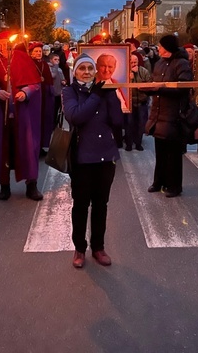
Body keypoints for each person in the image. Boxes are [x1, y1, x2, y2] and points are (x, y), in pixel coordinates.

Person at [63, 54, 123, 268]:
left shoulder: (104, 90)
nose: (87, 72)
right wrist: (96, 96)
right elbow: (76, 116)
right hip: (82, 157)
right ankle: (80, 248)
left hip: (105, 155)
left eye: (90, 68)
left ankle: (98, 247)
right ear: (75, 72)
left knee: (101, 204)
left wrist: (112, 95)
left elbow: (117, 121)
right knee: (80, 205)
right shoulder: (68, 92)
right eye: (82, 69)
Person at [0, 32, 44, 201]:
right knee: (1, 148)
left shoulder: (22, 58)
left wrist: (25, 92)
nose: (4, 46)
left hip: (23, 116)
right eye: (1, 43)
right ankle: (4, 185)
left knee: (27, 148)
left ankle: (31, 185)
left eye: (7, 43)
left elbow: (35, 84)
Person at [144, 34, 193, 197]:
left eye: (161, 45)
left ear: (168, 47)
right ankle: (158, 182)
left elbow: (183, 88)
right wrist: (146, 89)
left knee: (173, 155)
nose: (158, 48)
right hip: (159, 114)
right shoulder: (158, 63)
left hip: (174, 115)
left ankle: (174, 186)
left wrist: (159, 89)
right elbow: (154, 82)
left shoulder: (182, 64)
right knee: (160, 153)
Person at [123, 50, 151, 151]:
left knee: (140, 124)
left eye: (135, 62)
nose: (133, 64)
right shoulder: (124, 72)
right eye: (131, 62)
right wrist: (129, 79)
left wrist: (140, 85)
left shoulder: (144, 71)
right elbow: (122, 87)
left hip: (141, 101)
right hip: (129, 102)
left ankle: (138, 143)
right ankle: (129, 144)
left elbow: (149, 85)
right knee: (129, 123)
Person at [48, 53, 65, 122]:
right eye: (55, 59)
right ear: (51, 60)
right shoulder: (49, 68)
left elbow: (62, 78)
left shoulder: (59, 69)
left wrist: (63, 81)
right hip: (52, 93)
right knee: (52, 111)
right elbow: (53, 76)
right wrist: (55, 66)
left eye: (58, 60)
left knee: (58, 111)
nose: (57, 61)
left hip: (59, 92)